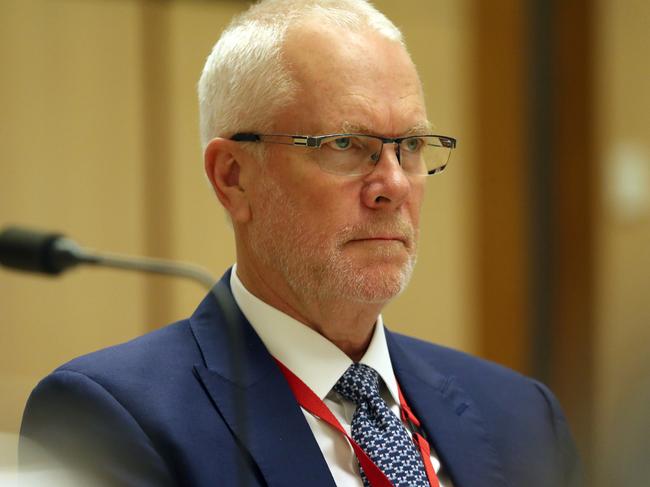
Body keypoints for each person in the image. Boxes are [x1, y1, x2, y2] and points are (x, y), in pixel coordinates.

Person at [19, 1, 581, 486]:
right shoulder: (112, 417)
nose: (391, 186)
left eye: (409, 145)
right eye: (344, 143)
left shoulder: (523, 415)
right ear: (234, 176)